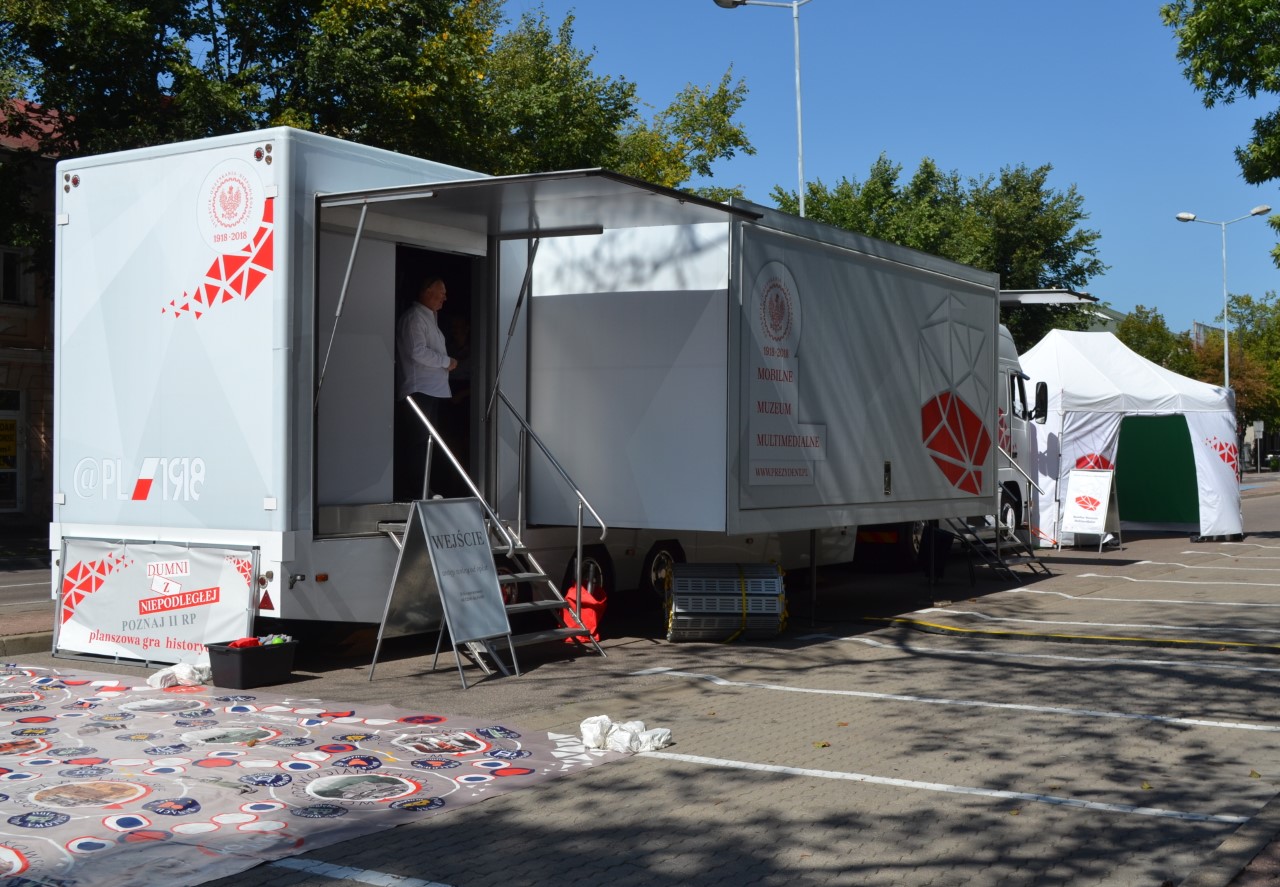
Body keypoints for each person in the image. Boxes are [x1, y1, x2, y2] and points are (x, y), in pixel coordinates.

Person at [395, 277, 457, 499]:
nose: (445, 297)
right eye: (441, 292)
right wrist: (446, 361)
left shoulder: (428, 317)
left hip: (431, 390)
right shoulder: (415, 317)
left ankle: (423, 488)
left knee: (426, 442)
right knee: (418, 442)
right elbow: (417, 351)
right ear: (427, 291)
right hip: (419, 390)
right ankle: (416, 491)